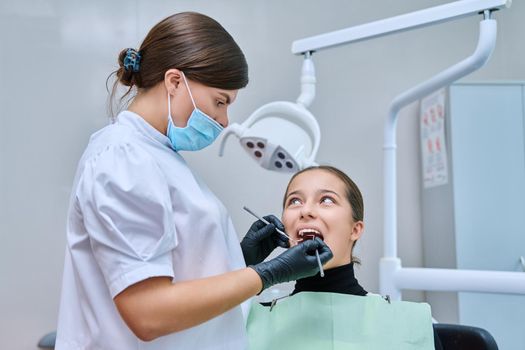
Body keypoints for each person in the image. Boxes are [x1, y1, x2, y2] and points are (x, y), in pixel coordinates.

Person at [55, 12, 332, 349]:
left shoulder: (157, 155)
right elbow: (148, 313)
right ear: (174, 82)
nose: (224, 119)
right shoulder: (122, 159)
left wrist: (237, 258)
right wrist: (265, 275)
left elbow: (172, 271)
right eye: (220, 101)